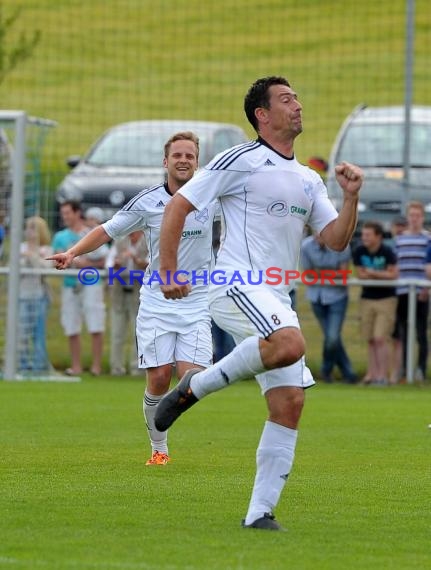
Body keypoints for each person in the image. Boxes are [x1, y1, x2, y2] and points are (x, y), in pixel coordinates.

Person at [154, 76, 363, 531]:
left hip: (277, 296)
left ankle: (259, 514)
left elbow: (334, 240)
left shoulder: (308, 178)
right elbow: (178, 207)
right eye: (286, 100)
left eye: (298, 98)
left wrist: (351, 198)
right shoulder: (239, 160)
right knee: (291, 343)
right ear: (262, 115)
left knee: (289, 402)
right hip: (235, 284)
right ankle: (195, 387)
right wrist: (168, 271)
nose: (298, 105)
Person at [48, 132, 217, 465]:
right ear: (165, 161)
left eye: (190, 156)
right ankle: (159, 448)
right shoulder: (148, 201)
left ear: (197, 162)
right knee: (157, 378)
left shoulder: (211, 197)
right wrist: (72, 252)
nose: (184, 160)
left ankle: (166, 414)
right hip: (157, 300)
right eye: (177, 155)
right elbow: (108, 229)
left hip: (197, 299)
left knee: (192, 378)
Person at [51, 201, 106, 376]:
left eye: (67, 213)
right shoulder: (60, 237)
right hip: (70, 284)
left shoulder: (90, 233)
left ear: (77, 213)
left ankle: (96, 367)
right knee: (71, 324)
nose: (64, 217)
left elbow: (104, 260)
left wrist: (85, 263)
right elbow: (55, 262)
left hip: (91, 283)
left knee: (95, 322)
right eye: (63, 213)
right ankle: (76, 366)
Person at [301, 232, 356, 383]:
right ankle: (347, 373)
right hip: (316, 297)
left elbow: (344, 275)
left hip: (337, 297)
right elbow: (308, 275)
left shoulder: (342, 245)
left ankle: (327, 370)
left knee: (332, 338)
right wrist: (332, 273)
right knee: (332, 338)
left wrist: (319, 274)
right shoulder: (306, 246)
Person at [352, 221, 398, 385]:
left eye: (368, 235)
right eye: (363, 234)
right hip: (367, 298)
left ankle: (382, 375)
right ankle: (371, 374)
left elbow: (393, 274)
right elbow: (360, 274)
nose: (364, 238)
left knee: (380, 338)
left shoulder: (387, 251)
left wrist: (372, 273)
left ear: (378, 236)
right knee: (370, 339)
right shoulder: (359, 251)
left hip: (386, 299)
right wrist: (381, 274)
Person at [393, 202, 430, 382]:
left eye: (418, 215)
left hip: (421, 291)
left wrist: (426, 288)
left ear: (422, 218)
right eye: (412, 215)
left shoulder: (428, 239)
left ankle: (421, 369)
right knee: (404, 331)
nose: (414, 219)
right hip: (402, 292)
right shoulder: (400, 239)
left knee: (421, 332)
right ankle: (406, 370)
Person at [105, 230, 148, 375]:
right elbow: (109, 264)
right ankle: (116, 367)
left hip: (140, 295)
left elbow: (151, 265)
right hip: (120, 293)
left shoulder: (148, 241)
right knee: (117, 332)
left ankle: (137, 367)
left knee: (138, 333)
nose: (132, 234)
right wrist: (117, 264)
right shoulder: (119, 242)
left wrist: (136, 259)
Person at [18, 216, 53, 372]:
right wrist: (25, 257)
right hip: (23, 295)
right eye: (27, 227)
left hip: (39, 296)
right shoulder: (21, 247)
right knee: (22, 333)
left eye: (33, 228)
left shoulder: (45, 250)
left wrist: (32, 256)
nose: (29, 231)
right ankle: (22, 365)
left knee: (38, 333)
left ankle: (39, 365)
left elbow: (45, 268)